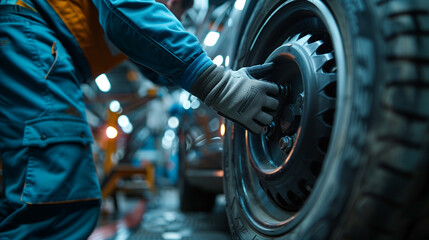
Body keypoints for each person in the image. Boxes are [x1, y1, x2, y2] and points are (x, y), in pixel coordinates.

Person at [0, 0, 279, 239]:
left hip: (28, 36)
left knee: (20, 195)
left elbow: (149, 54)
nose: (174, 17)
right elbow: (127, 8)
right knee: (59, 201)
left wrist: (183, 69)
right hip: (30, 34)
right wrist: (219, 84)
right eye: (179, 7)